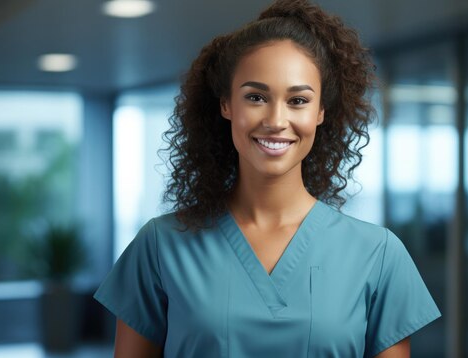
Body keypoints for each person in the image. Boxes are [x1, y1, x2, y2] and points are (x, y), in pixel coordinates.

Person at [94, 0, 440, 357]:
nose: (276, 119)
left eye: (298, 100)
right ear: (226, 104)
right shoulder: (161, 246)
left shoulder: (378, 255)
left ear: (321, 111)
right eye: (256, 97)